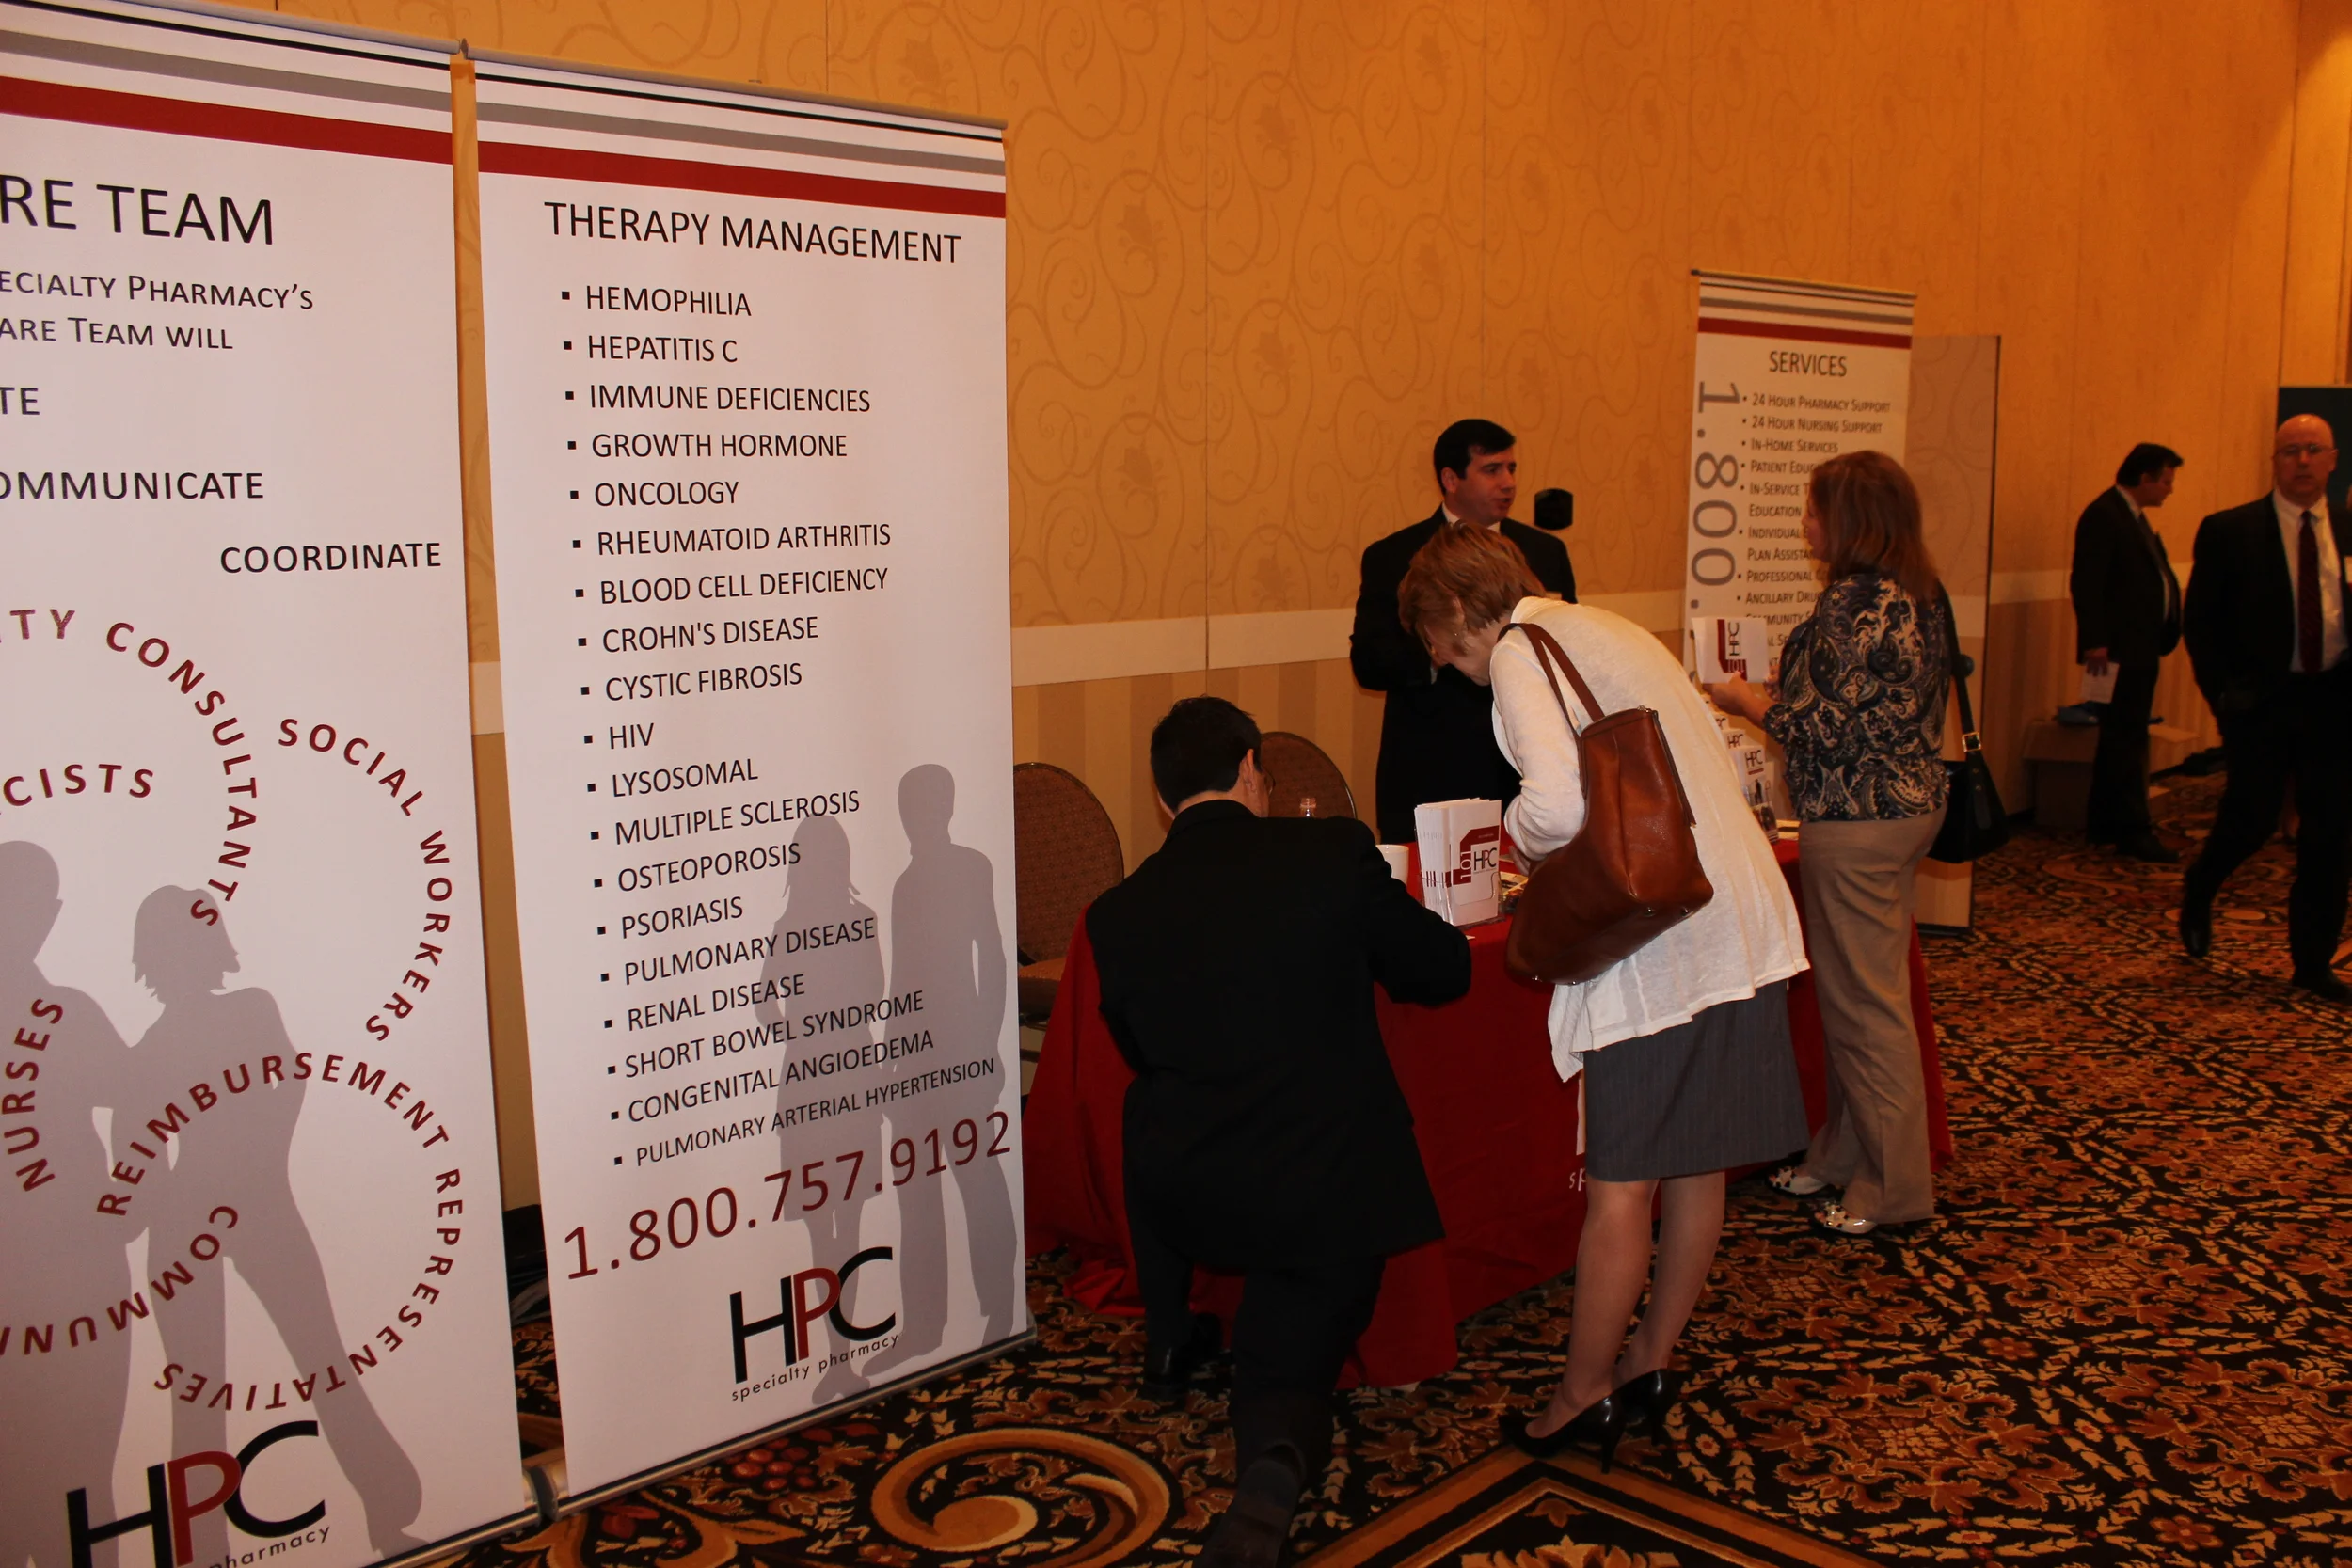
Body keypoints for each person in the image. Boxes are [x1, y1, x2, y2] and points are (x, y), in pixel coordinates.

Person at [1396, 527, 1809, 1467]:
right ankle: (1649, 1358)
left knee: (1622, 1183)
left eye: (1443, 645)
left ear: (1458, 611)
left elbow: (1559, 808)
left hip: (1663, 940)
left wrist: (1511, 829)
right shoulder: (1603, 626)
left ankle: (1580, 1393)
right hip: (1737, 911)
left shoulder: (1514, 650)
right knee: (1698, 1165)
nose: (1452, 668)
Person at [1087, 697, 1470, 1568]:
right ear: (1252, 767)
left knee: (1148, 1105)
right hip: (1325, 1186)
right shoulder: (1330, 851)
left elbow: (1139, 1047)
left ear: (1162, 794)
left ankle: (1169, 1338)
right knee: (1283, 1364)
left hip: (1192, 1191)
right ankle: (1270, 1468)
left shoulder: (1117, 912)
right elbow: (1441, 971)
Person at [1708, 450, 1951, 1238]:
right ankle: (1845, 1153)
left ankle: (1894, 1187)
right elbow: (1872, 706)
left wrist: (1746, 699)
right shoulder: (1917, 588)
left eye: (1813, 509)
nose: (1805, 523)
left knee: (1866, 1009)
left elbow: (1823, 728)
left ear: (1848, 518)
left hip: (1857, 820)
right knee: (1856, 997)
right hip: (1904, 809)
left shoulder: (1854, 604)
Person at [2179, 414, 2352, 1002]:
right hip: (2262, 703)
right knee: (2249, 820)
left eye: (2312, 450)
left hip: (2334, 701)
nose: (2301, 461)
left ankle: (2312, 961)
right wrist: (2224, 701)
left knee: (2331, 836)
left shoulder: (2348, 531)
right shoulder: (2232, 531)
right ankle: (2202, 884)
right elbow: (2200, 624)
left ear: (2332, 459)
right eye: (2289, 452)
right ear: (2274, 462)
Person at [1351, 418, 1574, 842]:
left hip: (1525, 769)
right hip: (1431, 764)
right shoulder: (1393, 555)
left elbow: (1564, 649)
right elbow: (1370, 663)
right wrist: (1447, 650)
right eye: (1491, 470)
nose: (1507, 483)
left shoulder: (1545, 552)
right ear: (1450, 479)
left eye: (1511, 469)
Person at [2070, 442, 2185, 860]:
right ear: (2145, 479)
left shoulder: (2132, 518)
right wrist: (2095, 641)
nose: (2170, 491)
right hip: (2117, 651)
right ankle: (2132, 829)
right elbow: (2088, 581)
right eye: (2167, 481)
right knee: (2126, 739)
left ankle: (2104, 823)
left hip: (2139, 647)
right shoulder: (2105, 515)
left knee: (2121, 738)